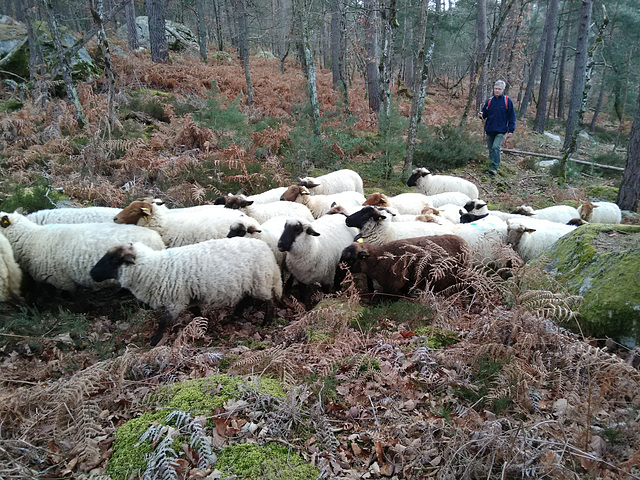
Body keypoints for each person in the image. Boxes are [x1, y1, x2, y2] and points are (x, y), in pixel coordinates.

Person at [478, 80, 516, 175]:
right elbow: (484, 113)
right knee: (490, 148)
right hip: (490, 129)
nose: (497, 91)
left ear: (503, 90)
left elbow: (512, 116)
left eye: (499, 89)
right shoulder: (490, 101)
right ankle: (490, 165)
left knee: (496, 147)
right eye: (496, 89)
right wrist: (481, 114)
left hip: (501, 130)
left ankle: (495, 167)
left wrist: (511, 130)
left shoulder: (507, 101)